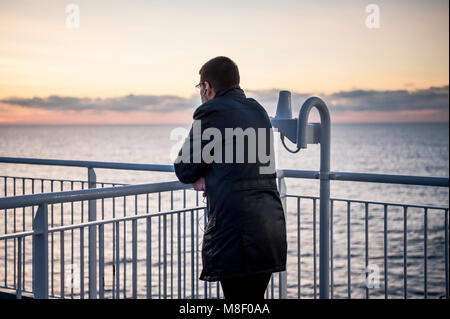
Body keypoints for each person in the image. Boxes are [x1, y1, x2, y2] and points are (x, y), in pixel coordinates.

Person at [173, 56, 287, 300]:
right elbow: (241, 159)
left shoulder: (212, 111)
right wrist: (211, 171)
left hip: (236, 233)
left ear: (207, 87)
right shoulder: (258, 111)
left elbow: (184, 168)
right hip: (268, 228)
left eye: (200, 88)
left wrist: (202, 172)